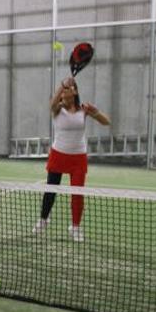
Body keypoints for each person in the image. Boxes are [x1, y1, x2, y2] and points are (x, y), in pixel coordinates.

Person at [33, 76, 110, 242]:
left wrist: (95, 111)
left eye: (68, 89)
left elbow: (106, 122)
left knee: (77, 193)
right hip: (58, 154)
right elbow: (51, 103)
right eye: (63, 90)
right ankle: (43, 220)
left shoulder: (84, 109)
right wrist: (62, 85)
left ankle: (75, 227)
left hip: (78, 158)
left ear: (75, 91)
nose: (64, 92)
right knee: (51, 190)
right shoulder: (57, 109)